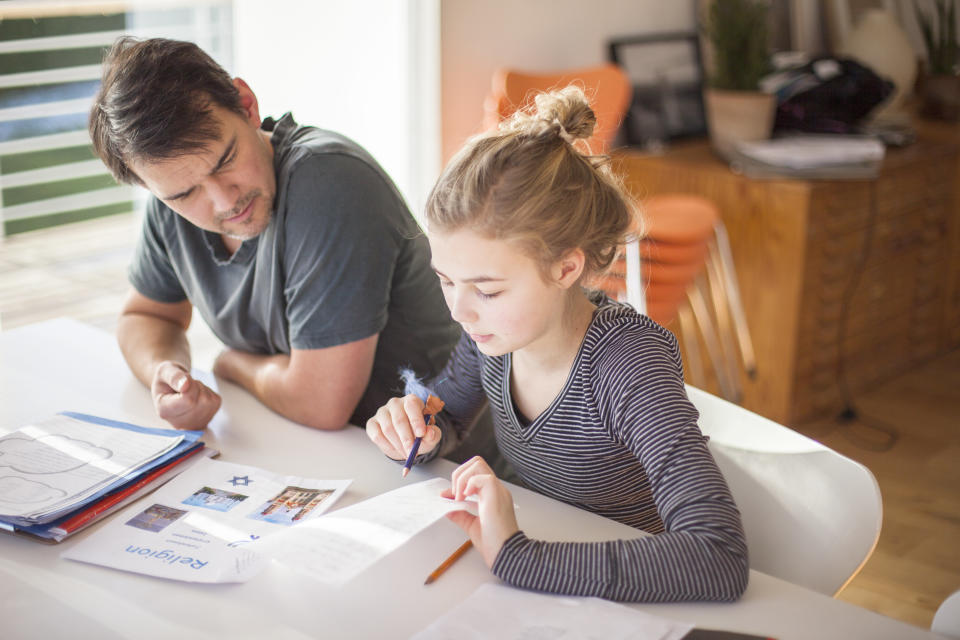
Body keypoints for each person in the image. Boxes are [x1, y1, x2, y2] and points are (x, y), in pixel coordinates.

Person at [365, 86, 749, 602]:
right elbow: (447, 417)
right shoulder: (493, 337)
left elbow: (718, 556)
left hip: (642, 600)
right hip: (548, 582)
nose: (459, 310)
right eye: (446, 281)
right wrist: (418, 431)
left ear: (566, 268)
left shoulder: (627, 363)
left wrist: (518, 557)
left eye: (487, 289)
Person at [89, 37, 460, 431]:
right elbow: (144, 316)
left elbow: (320, 403)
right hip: (318, 448)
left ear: (247, 104)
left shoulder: (330, 182)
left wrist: (233, 364)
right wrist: (167, 372)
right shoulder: (169, 207)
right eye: (184, 193)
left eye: (225, 160)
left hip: (446, 466)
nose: (222, 201)